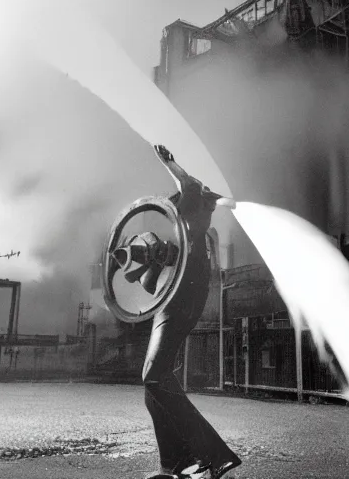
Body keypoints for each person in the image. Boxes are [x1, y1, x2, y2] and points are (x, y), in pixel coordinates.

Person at [128, 146, 241, 479]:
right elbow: (152, 284)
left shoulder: (194, 208)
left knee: (154, 377)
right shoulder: (188, 233)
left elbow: (188, 185)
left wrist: (170, 163)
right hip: (173, 303)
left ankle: (216, 455)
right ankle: (175, 464)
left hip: (178, 304)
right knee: (154, 388)